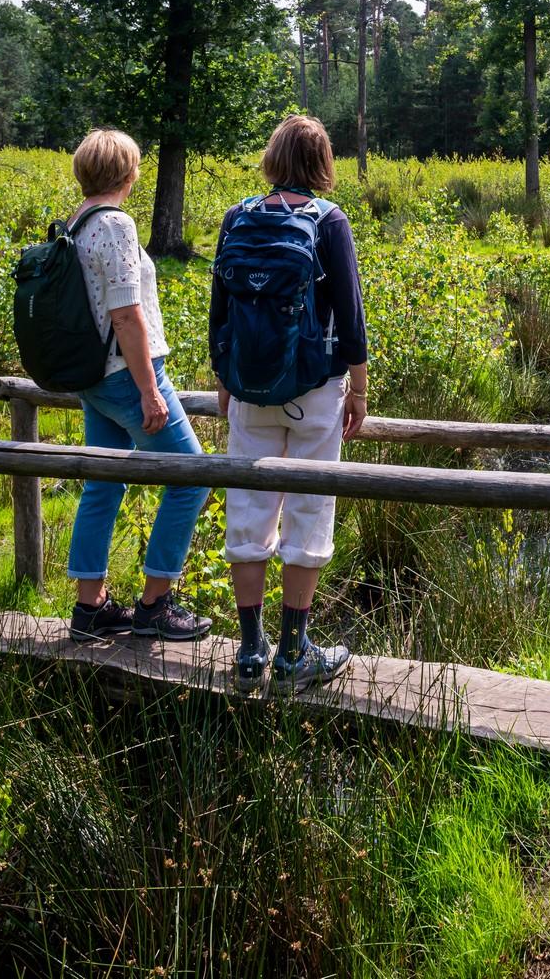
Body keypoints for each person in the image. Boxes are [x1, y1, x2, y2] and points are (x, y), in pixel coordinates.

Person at [209, 115, 369, 693]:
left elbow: (220, 309)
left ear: (273, 158)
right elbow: (349, 315)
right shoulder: (329, 221)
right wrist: (360, 387)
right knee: (309, 512)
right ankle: (294, 653)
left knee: (249, 512)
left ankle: (250, 653)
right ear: (323, 162)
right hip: (316, 388)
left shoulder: (238, 218)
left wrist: (223, 378)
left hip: (248, 389)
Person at [65, 128, 211, 644]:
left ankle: (91, 610)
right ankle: (155, 606)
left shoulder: (75, 225)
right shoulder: (117, 225)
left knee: (102, 483)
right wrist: (150, 390)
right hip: (128, 374)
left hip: (94, 379)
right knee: (191, 477)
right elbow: (127, 316)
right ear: (129, 173)